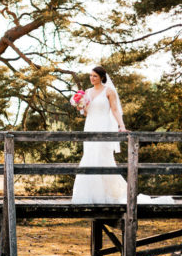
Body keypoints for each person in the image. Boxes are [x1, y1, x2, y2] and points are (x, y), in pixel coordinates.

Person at [71, 66, 172, 204]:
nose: (92, 78)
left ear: (101, 77)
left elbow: (115, 110)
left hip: (103, 126)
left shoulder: (109, 91)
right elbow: (87, 112)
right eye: (90, 75)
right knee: (89, 157)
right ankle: (91, 195)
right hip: (89, 126)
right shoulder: (87, 92)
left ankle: (107, 195)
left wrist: (122, 126)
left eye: (95, 76)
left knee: (102, 158)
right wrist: (80, 106)